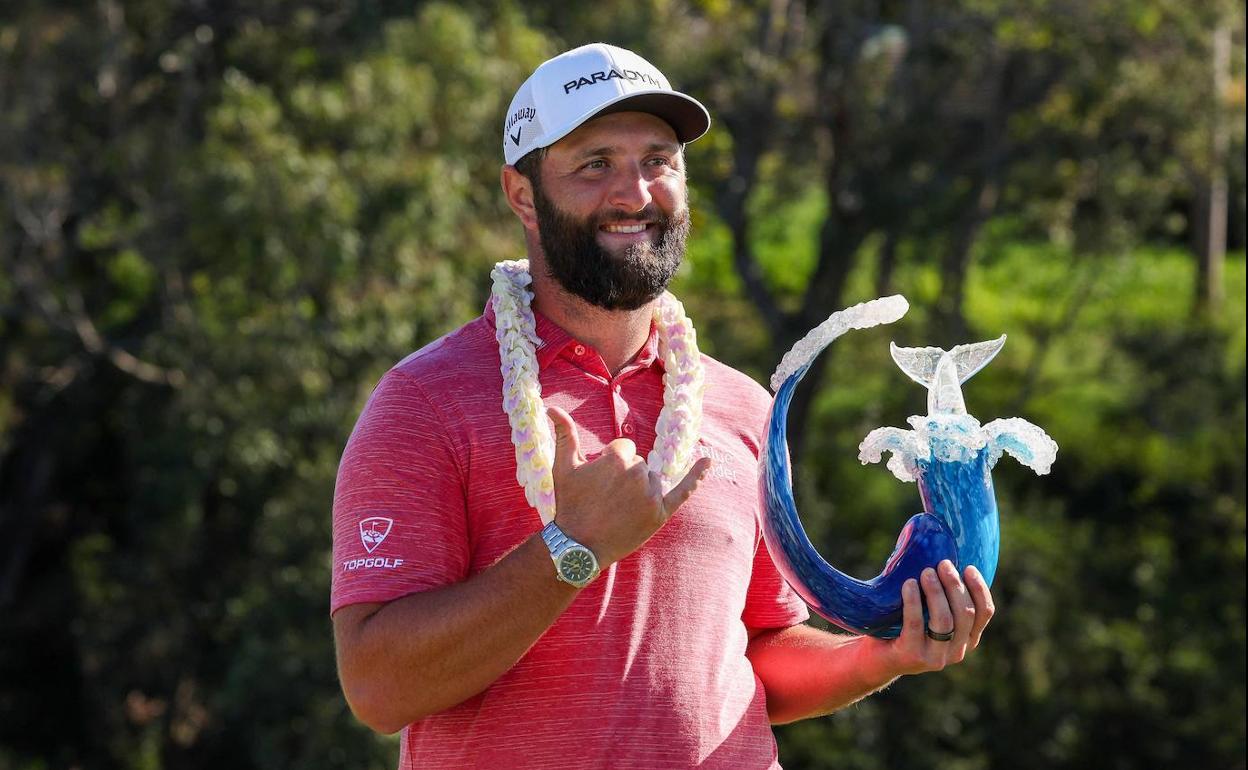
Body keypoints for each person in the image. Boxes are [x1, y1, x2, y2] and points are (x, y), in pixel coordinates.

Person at [330, 43, 994, 769]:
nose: (635, 194)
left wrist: (881, 657)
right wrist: (571, 549)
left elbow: (755, 653)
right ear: (522, 195)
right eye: (595, 164)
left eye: (658, 160)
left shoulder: (742, 406)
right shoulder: (425, 402)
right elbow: (377, 686)